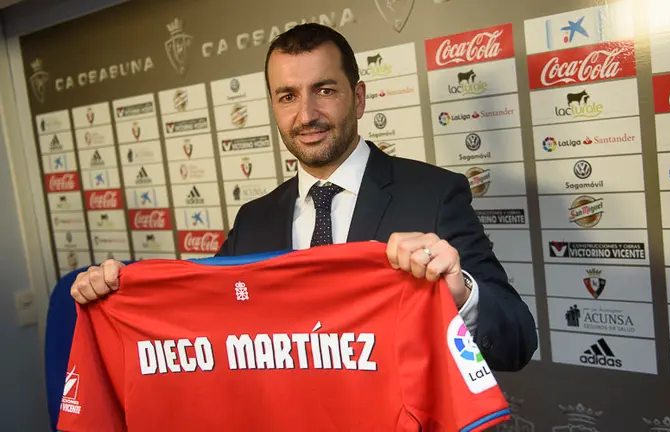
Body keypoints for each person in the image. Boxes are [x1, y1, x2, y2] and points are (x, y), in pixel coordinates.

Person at [70, 23, 537, 372]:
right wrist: (120, 291)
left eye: (324, 90)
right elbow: (199, 320)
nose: (306, 114)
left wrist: (460, 294)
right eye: (288, 96)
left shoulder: (434, 194)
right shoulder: (253, 221)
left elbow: (517, 340)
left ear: (358, 98)